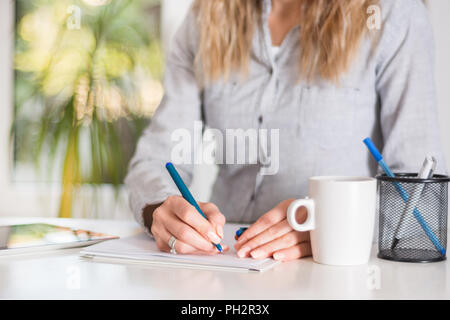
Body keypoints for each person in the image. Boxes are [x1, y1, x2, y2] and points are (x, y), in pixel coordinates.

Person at [125, 0, 446, 261]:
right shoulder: (206, 17)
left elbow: (421, 195)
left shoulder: (393, 14)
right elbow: (157, 157)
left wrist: (330, 224)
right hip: (224, 265)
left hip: (334, 273)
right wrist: (161, 211)